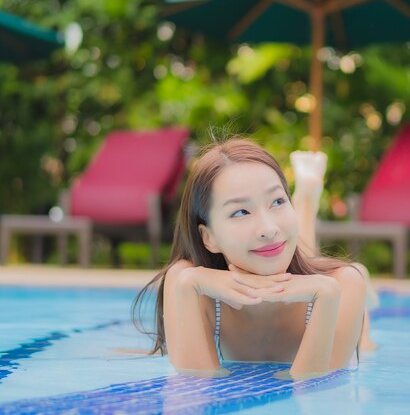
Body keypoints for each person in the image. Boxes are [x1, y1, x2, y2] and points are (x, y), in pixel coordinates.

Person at [134, 137, 368, 380]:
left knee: (366, 331)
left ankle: (307, 202)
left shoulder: (343, 284)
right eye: (241, 212)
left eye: (278, 201)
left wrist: (327, 296)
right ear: (209, 237)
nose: (268, 228)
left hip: (328, 278)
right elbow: (192, 394)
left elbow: (314, 396)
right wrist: (186, 285)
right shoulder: (188, 280)